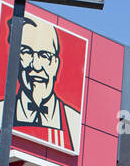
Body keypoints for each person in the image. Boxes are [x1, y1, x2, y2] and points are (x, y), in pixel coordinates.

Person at [13, 17, 83, 154]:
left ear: (55, 64)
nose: (36, 66)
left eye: (45, 56)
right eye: (26, 52)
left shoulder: (73, 121)